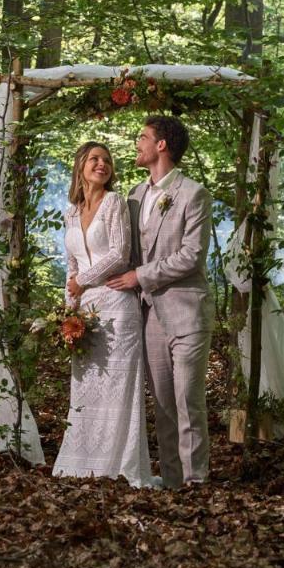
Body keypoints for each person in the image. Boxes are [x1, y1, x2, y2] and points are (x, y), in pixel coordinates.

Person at [106, 116, 212, 488]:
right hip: (148, 314)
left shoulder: (193, 194)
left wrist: (140, 276)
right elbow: (122, 251)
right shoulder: (134, 196)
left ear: (162, 145)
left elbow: (191, 256)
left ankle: (196, 482)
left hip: (187, 312)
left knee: (188, 402)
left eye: (142, 137)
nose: (137, 143)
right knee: (163, 406)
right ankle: (171, 482)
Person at [52, 141, 158, 487]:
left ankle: (119, 466)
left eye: (107, 160)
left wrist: (81, 281)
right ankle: (83, 463)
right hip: (84, 310)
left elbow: (120, 254)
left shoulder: (114, 202)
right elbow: (70, 265)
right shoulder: (70, 210)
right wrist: (67, 314)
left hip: (116, 307)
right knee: (86, 388)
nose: (102, 164)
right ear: (80, 164)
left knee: (116, 388)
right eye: (95, 159)